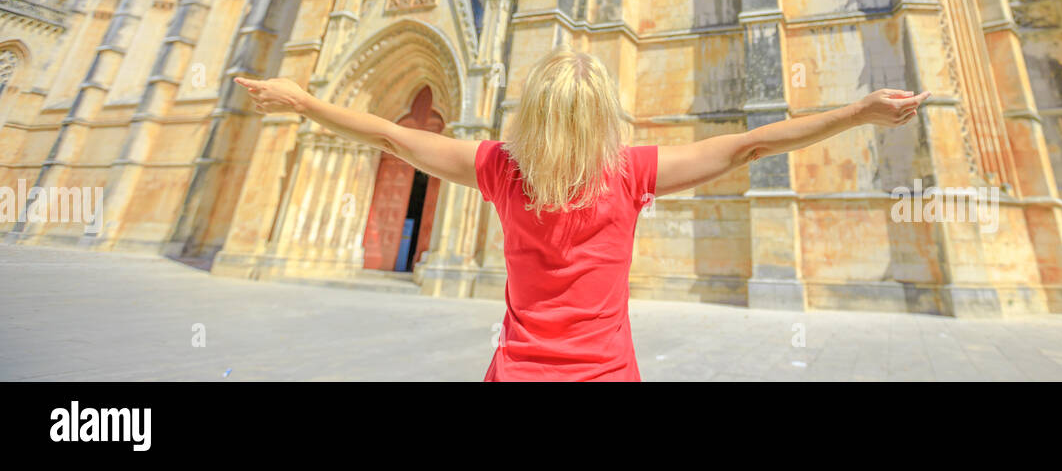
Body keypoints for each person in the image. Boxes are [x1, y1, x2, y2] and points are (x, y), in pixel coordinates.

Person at [235, 47, 928, 381]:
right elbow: (748, 147)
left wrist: (302, 101)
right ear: (604, 119)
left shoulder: (499, 169)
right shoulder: (629, 174)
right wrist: (859, 112)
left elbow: (391, 136)